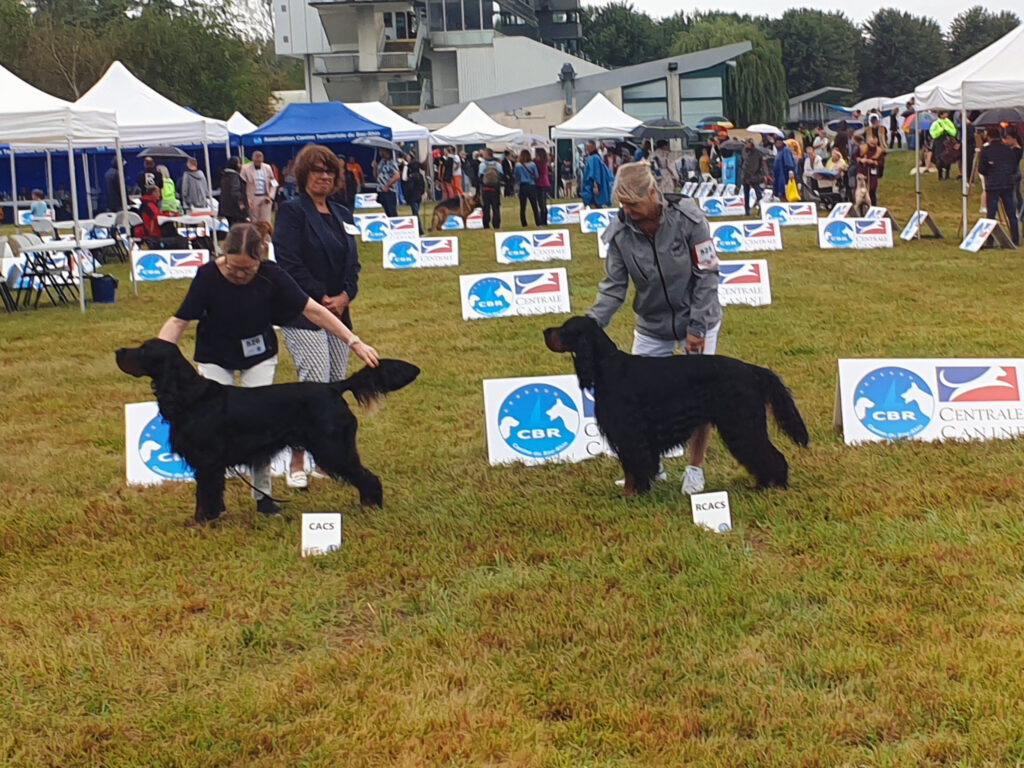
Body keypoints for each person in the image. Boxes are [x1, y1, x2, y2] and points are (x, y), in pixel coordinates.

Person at [157, 222, 379, 518]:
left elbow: (312, 310)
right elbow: (178, 321)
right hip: (215, 357)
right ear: (223, 255)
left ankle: (263, 497)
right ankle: (212, 506)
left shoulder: (272, 275)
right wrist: (161, 356)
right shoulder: (208, 275)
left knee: (259, 426)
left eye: (247, 269)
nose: (239, 274)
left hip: (258, 354)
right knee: (208, 435)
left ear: (260, 257)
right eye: (233, 267)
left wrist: (353, 341)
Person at [585, 162, 722, 495]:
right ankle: (650, 465)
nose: (628, 211)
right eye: (622, 205)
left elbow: (707, 274)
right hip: (651, 325)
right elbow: (614, 286)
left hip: (698, 319)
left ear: (652, 193)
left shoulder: (691, 220)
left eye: (633, 204)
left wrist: (698, 327)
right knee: (639, 399)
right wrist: (590, 325)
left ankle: (695, 468)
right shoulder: (619, 233)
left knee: (703, 397)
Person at [273, 143, 369, 489]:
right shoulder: (291, 211)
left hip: (341, 311)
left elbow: (353, 264)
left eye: (329, 171)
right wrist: (321, 296)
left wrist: (345, 295)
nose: (324, 177)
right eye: (317, 171)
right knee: (312, 384)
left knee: (332, 386)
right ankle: (296, 459)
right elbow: (288, 261)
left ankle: (325, 458)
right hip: (303, 312)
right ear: (303, 175)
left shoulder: (343, 213)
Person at [978, 127, 1021, 246]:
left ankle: (990, 241)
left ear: (989, 137)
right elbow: (1014, 167)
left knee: (991, 214)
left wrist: (990, 170)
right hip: (1008, 183)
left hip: (993, 184)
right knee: (1011, 213)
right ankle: (1015, 239)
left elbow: (981, 169)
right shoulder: (1008, 150)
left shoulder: (986, 150)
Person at [240, 151, 276, 223]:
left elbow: (274, 183)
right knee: (254, 221)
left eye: (259, 161)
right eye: (256, 161)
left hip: (266, 197)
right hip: (252, 198)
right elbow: (242, 185)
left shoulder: (268, 167)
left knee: (265, 222)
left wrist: (270, 196)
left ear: (262, 160)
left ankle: (266, 234)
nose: (258, 163)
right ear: (253, 159)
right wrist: (246, 200)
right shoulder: (245, 168)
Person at [581, 140, 612, 208]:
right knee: (594, 204)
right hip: (590, 184)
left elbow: (595, 173)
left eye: (587, 147)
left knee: (593, 203)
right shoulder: (595, 157)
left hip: (591, 185)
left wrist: (595, 186)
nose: (586, 149)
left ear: (591, 147)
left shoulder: (594, 158)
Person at [856, 133, 885, 206]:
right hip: (863, 172)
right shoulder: (862, 148)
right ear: (868, 141)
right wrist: (861, 160)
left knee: (872, 190)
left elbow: (881, 163)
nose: (873, 144)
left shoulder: (879, 151)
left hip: (872, 174)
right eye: (871, 142)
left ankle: (873, 206)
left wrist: (874, 162)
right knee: (861, 191)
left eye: (874, 143)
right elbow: (855, 157)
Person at [478, 148, 503, 229]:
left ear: (486, 155)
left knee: (486, 207)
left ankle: (486, 224)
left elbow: (480, 176)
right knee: (496, 208)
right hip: (495, 189)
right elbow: (501, 176)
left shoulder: (482, 165)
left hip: (486, 189)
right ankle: (496, 224)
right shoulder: (498, 165)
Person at [218, 157, 248, 225]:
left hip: (225, 208)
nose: (241, 166)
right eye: (239, 163)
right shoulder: (234, 177)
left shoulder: (224, 175)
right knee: (238, 228)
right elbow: (235, 191)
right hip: (235, 209)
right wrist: (240, 202)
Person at [740, 138, 764, 215]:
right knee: (746, 194)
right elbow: (742, 162)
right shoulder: (743, 151)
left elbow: (759, 164)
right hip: (745, 175)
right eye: (745, 143)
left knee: (758, 194)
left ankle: (761, 209)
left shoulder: (757, 152)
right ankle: (747, 211)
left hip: (754, 175)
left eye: (747, 143)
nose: (746, 144)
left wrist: (757, 172)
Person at [373, 148, 401, 217]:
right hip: (381, 190)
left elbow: (397, 175)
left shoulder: (392, 163)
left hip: (389, 191)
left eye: (382, 151)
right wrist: (375, 168)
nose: (381, 153)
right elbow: (377, 176)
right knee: (386, 210)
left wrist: (387, 185)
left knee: (391, 210)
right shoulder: (381, 162)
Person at [534, 148, 551, 225]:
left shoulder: (538, 162)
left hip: (540, 183)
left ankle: (542, 220)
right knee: (543, 203)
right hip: (546, 183)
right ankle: (544, 219)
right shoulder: (545, 162)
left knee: (541, 203)